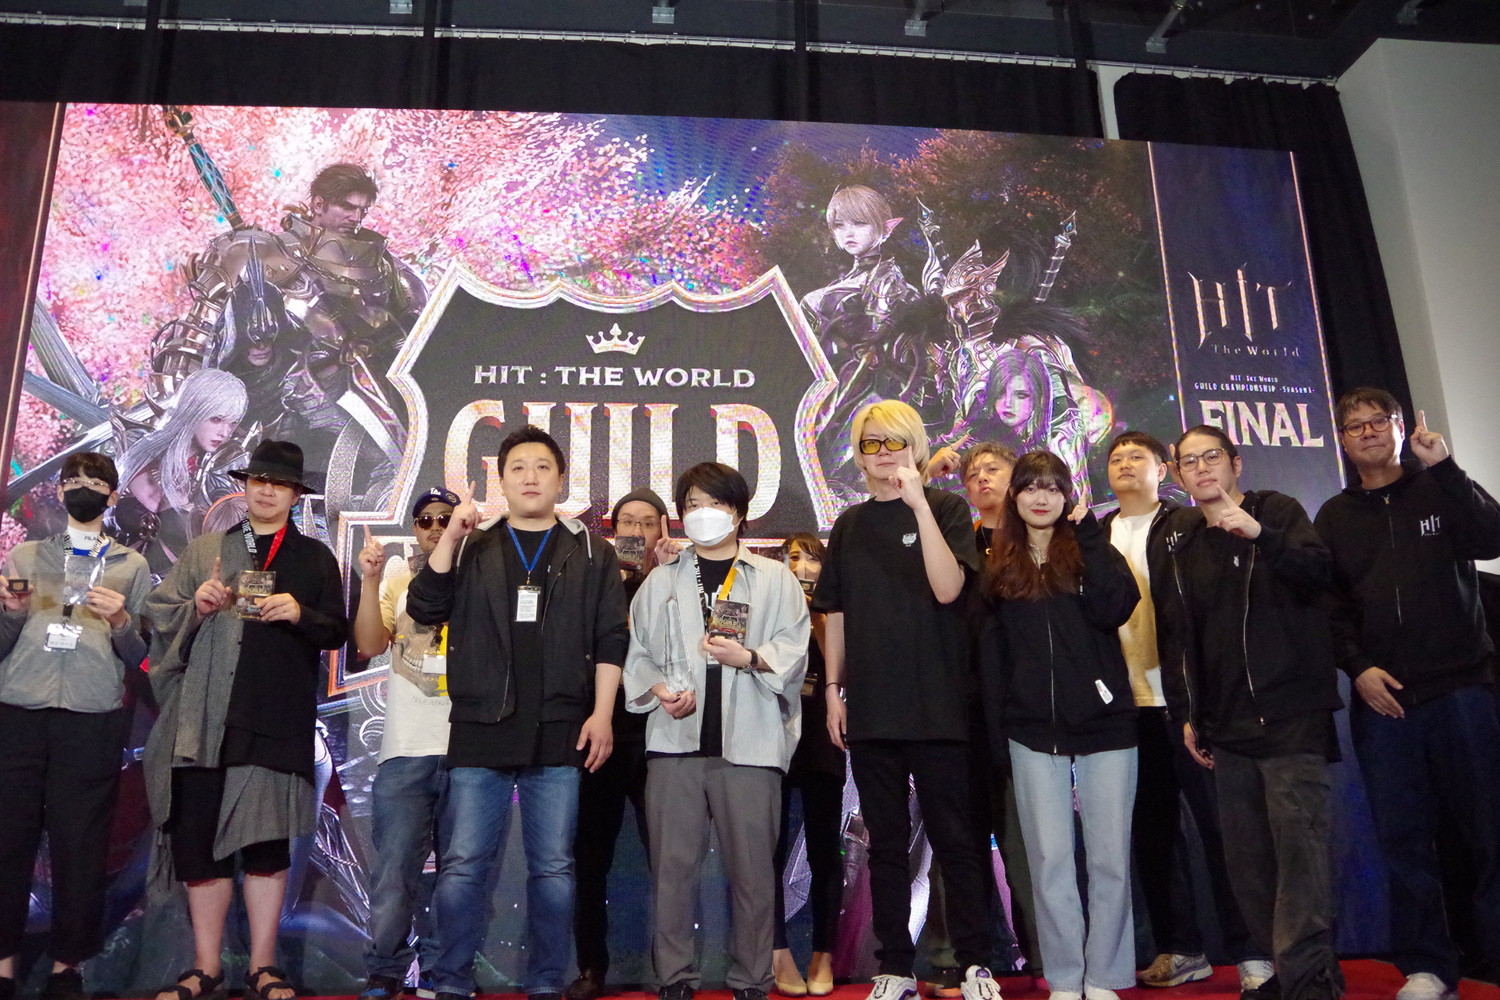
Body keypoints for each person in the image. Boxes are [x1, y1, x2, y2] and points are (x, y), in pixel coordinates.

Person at [405, 426, 629, 1000]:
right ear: (499, 481)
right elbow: (425, 608)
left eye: (542, 467)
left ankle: (546, 981)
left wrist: (603, 713)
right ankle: (451, 979)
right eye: (518, 468)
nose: (530, 477)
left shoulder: (591, 551)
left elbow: (610, 638)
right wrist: (449, 539)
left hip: (559, 726)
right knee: (462, 865)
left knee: (553, 868)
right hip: (481, 723)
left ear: (561, 480)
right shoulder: (473, 544)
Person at [142, 440, 349, 1000]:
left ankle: (263, 966)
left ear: (295, 495)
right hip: (203, 720)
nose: (266, 490)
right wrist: (197, 606)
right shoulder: (208, 549)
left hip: (275, 716)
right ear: (246, 485)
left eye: (279, 483)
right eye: (259, 480)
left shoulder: (315, 558)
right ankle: (205, 967)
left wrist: (300, 612)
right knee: (199, 844)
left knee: (266, 845)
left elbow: (337, 632)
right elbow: (157, 616)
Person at [812, 399, 1002, 1000]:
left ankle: (975, 963)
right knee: (885, 844)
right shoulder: (849, 525)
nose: (883, 453)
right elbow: (835, 612)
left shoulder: (945, 508)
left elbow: (949, 590)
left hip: (940, 703)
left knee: (957, 840)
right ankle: (893, 965)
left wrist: (919, 504)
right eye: (871, 443)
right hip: (872, 706)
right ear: (858, 453)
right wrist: (834, 689)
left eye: (894, 441)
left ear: (916, 446)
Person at [1314, 389, 1500, 1000]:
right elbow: (1329, 607)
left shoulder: (1438, 488)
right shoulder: (1334, 516)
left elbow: (1491, 537)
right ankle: (1429, 967)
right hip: (1385, 701)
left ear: (1400, 428)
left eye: (1379, 421)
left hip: (1462, 687)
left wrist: (1445, 466)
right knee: (1403, 838)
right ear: (1343, 441)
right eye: (1355, 426)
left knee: (1488, 828)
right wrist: (1358, 668)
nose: (1368, 432)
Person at [1151, 425, 1345, 1000]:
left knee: (1301, 858)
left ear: (1235, 463)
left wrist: (1261, 536)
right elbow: (1178, 634)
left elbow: (1320, 575)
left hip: (1290, 718)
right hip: (1226, 726)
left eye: (1211, 457)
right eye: (1189, 462)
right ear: (1178, 475)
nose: (1201, 468)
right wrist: (1188, 713)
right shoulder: (1183, 537)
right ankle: (1286, 975)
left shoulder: (1275, 510)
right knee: (1249, 866)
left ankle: (1310, 981)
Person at [624, 462, 809, 1000]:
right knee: (671, 871)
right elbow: (637, 653)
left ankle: (751, 980)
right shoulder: (662, 580)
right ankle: (674, 979)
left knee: (753, 875)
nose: (703, 513)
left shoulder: (773, 578)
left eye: (716, 503)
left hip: (750, 746)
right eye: (693, 505)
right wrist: (659, 689)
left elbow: (795, 648)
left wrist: (748, 657)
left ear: (739, 513)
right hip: (674, 743)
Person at [149, 163, 428, 506]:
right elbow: (195, 341)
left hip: (366, 415)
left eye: (363, 209)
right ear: (319, 203)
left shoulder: (387, 270)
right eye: (347, 207)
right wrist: (178, 422)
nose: (356, 217)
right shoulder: (261, 254)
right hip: (274, 416)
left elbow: (418, 341)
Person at [975, 450, 1139, 1000]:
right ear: (1015, 497)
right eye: (1030, 487)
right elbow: (992, 656)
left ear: (1068, 495)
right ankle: (1066, 977)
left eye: (1052, 487)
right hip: (1029, 730)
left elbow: (1116, 607)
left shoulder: (1090, 547)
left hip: (1105, 723)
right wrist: (1000, 728)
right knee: (1049, 860)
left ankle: (1106, 975)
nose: (1041, 497)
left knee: (1110, 858)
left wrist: (1089, 534)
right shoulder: (1000, 563)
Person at [1099, 431, 1253, 987]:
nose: (1124, 464)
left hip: (1188, 702)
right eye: (1116, 458)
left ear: (1163, 470)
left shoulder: (1186, 525)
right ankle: (1181, 947)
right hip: (1126, 706)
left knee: (1223, 829)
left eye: (1136, 457)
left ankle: (1252, 951)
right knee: (1152, 833)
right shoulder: (1095, 532)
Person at [0, 453, 152, 1000]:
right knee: (8, 839)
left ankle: (69, 967)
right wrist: (11, 614)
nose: (83, 488)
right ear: (61, 491)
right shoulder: (25, 555)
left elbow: (142, 655)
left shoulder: (132, 565)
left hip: (92, 717)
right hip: (20, 711)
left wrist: (121, 622)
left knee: (81, 844)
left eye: (95, 482)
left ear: (112, 496)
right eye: (74, 480)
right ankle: (4, 966)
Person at [922, 442, 1040, 996]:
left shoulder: (1039, 541)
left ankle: (1048, 953)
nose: (982, 479)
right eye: (972, 474)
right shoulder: (956, 540)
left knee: (1028, 842)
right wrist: (926, 472)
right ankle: (953, 957)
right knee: (956, 842)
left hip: (1024, 712)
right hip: (960, 708)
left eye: (994, 469)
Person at [351, 487, 461, 1000]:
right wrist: (371, 579)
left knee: (459, 873)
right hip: (405, 746)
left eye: (445, 518)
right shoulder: (398, 574)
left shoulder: (481, 576)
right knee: (395, 869)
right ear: (414, 528)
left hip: (468, 749)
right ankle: (386, 970)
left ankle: (443, 970)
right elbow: (369, 644)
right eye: (425, 520)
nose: (436, 527)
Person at [568, 487, 673, 1000]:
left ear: (663, 531)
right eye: (627, 522)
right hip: (602, 730)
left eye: (647, 523)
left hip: (659, 733)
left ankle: (672, 968)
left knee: (669, 856)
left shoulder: (676, 579)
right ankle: (591, 966)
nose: (636, 531)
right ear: (612, 532)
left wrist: (666, 577)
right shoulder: (592, 580)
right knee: (590, 857)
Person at [799, 185, 923, 498]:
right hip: (829, 386)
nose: (848, 233)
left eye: (859, 223)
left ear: (886, 228)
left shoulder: (893, 285)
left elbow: (908, 350)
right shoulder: (828, 291)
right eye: (839, 225)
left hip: (872, 393)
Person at [772, 533, 844, 999]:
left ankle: (824, 953)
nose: (802, 566)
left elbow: (844, 670)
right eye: (793, 557)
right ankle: (777, 949)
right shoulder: (770, 604)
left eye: (812, 558)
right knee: (770, 850)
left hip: (822, 737)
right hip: (772, 736)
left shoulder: (835, 611)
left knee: (823, 850)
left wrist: (818, 614)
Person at [114, 367, 250, 576]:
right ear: (193, 411)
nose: (224, 432)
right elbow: (174, 527)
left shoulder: (222, 462)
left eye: (232, 423)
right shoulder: (147, 459)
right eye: (216, 419)